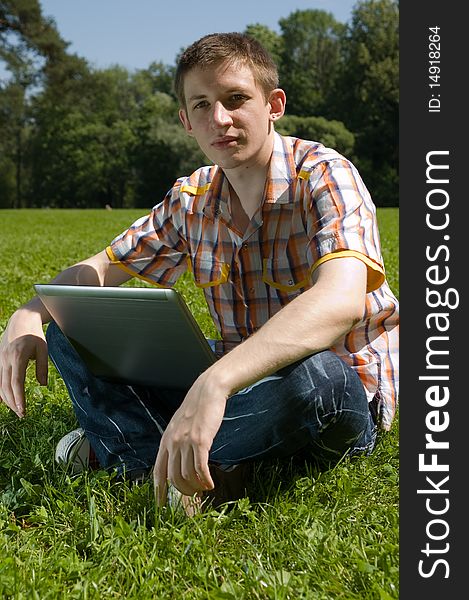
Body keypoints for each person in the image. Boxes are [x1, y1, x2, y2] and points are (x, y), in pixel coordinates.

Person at [0, 32, 399, 511]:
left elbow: (340, 302)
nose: (220, 119)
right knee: (77, 326)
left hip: (341, 391)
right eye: (202, 105)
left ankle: (132, 448)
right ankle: (182, 468)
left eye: (236, 99)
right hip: (241, 377)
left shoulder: (324, 175)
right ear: (186, 121)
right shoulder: (191, 198)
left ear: (273, 104)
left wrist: (215, 383)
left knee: (319, 374)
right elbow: (104, 267)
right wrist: (28, 312)